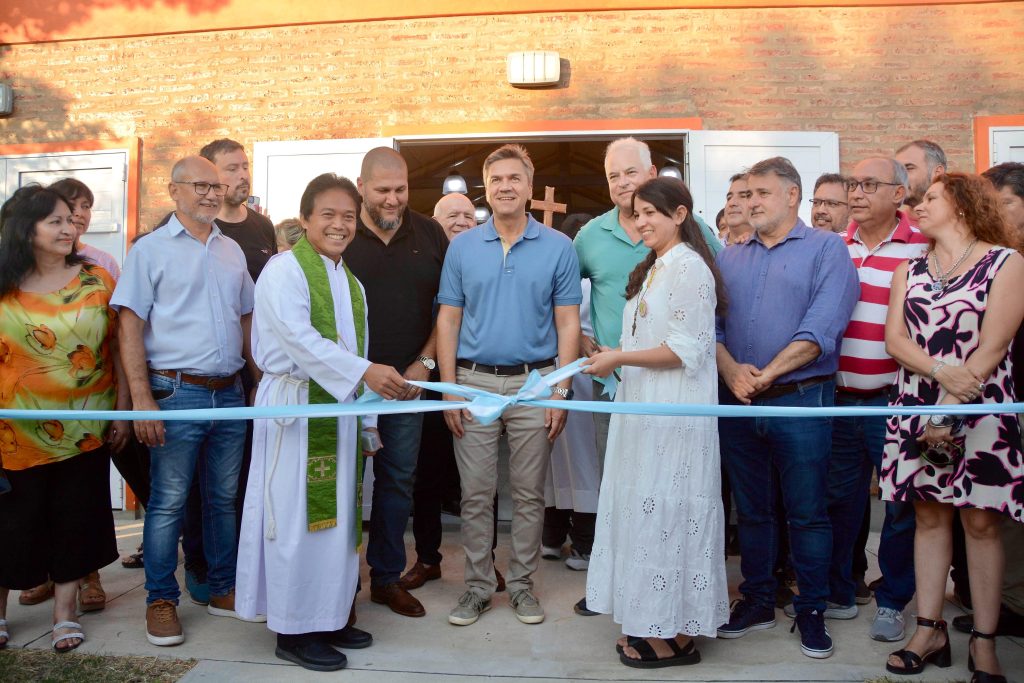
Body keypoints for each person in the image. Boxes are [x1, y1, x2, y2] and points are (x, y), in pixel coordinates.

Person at [236, 173, 408, 671]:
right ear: (306, 219)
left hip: (339, 411)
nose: (339, 225)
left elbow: (361, 353)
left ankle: (327, 616)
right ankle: (292, 629)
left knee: (335, 525)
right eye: (327, 215)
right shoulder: (284, 270)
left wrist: (370, 422)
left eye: (348, 217)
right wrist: (366, 375)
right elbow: (297, 340)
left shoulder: (350, 282)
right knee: (295, 520)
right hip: (295, 409)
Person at [881, 172, 1024, 682]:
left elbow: (993, 347)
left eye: (931, 198)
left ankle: (984, 642)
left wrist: (948, 411)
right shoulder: (909, 268)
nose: (918, 206)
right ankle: (928, 627)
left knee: (981, 522)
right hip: (917, 403)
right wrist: (939, 379)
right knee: (928, 517)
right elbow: (895, 340)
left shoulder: (1006, 262)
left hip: (981, 407)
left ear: (962, 206)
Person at [715, 156, 859, 659]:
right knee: (751, 511)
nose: (749, 202)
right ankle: (755, 600)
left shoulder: (826, 251)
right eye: (745, 194)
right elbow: (709, 327)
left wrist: (766, 374)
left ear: (793, 196)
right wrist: (732, 370)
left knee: (807, 512)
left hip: (801, 398)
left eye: (761, 194)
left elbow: (823, 328)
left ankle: (812, 609)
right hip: (736, 402)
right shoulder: (729, 256)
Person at [582, 177, 729, 668]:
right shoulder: (655, 267)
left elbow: (686, 349)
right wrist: (613, 356)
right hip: (643, 407)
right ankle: (655, 621)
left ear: (680, 215)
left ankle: (674, 635)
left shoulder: (690, 269)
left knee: (669, 514)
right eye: (637, 213)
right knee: (647, 514)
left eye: (652, 213)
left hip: (674, 414)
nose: (642, 222)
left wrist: (619, 357)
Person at [112, 155, 259, 646]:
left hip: (231, 394)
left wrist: (258, 382)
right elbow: (128, 324)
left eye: (217, 186)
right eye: (200, 185)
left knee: (222, 500)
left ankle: (222, 588)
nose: (212, 194)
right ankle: (160, 599)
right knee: (169, 503)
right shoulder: (149, 251)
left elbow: (246, 322)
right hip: (174, 394)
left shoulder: (232, 251)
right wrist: (141, 402)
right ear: (173, 191)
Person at [437, 143, 582, 627]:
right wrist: (451, 388)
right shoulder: (461, 247)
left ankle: (521, 587)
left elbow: (567, 324)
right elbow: (449, 320)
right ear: (487, 186)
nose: (505, 187)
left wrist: (560, 391)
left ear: (529, 186)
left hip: (536, 383)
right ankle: (478, 588)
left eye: (514, 178)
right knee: (476, 493)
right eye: (496, 179)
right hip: (475, 382)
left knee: (528, 493)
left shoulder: (559, 247)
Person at [0, 185, 129, 652]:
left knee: (75, 519)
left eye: (69, 220)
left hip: (85, 429)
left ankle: (64, 613)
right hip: (12, 433)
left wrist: (123, 409)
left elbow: (118, 346)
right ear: (25, 229)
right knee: (12, 523)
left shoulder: (97, 280)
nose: (68, 227)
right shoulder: (2, 283)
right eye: (54, 221)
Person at [820, 158, 928, 643]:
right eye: (852, 185)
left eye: (868, 185)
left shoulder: (922, 247)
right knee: (840, 500)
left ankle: (892, 601)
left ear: (899, 195)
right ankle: (843, 589)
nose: (856, 194)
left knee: (900, 505)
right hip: (839, 400)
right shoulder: (832, 248)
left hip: (894, 400)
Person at [343, 147, 448, 619]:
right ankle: (337, 583)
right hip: (345, 386)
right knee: (342, 483)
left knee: (397, 483)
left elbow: (450, 308)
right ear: (361, 185)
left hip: (407, 385)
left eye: (401, 190)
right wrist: (354, 370)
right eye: (382, 190)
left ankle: (385, 579)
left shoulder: (430, 234)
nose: (392, 200)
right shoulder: (338, 232)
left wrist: (424, 363)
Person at [895, 140, 947, 210]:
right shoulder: (892, 220)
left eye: (909, 168)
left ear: (937, 172)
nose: (898, 177)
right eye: (897, 170)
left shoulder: (960, 219)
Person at [722, 173, 753, 244]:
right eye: (729, 198)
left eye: (743, 196)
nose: (732, 203)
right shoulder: (708, 250)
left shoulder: (775, 248)